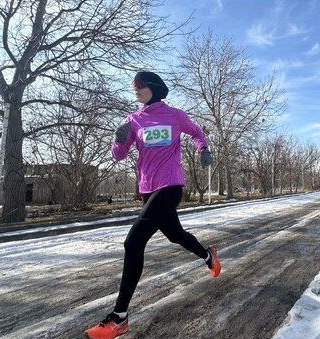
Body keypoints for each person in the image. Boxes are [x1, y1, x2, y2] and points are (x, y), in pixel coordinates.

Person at [86, 71, 220, 339]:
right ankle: (209, 256)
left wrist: (203, 149)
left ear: (154, 88)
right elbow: (119, 156)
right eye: (133, 87)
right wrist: (119, 138)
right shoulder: (133, 119)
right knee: (175, 235)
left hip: (170, 185)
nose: (135, 90)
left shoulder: (175, 115)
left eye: (139, 86)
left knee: (133, 242)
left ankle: (119, 318)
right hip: (147, 188)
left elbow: (196, 132)